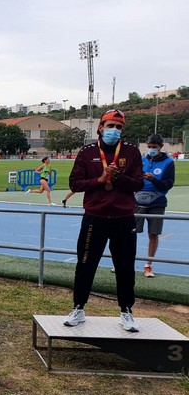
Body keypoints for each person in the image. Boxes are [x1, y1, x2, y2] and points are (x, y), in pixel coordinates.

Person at [63, 109, 144, 332]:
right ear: (100, 127)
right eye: (110, 126)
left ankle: (126, 311)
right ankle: (78, 308)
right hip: (95, 218)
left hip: (123, 218)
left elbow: (138, 184)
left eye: (119, 127)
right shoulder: (88, 152)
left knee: (125, 266)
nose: (114, 131)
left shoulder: (131, 151)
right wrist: (100, 180)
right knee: (86, 264)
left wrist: (118, 176)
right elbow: (75, 184)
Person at [135, 134, 175, 278]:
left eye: (154, 147)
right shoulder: (142, 160)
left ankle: (148, 265)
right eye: (149, 147)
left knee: (153, 234)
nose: (151, 149)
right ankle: (124, 262)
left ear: (161, 147)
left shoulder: (168, 163)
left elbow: (168, 184)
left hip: (157, 201)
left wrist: (154, 180)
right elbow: (134, 179)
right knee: (131, 232)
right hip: (138, 200)